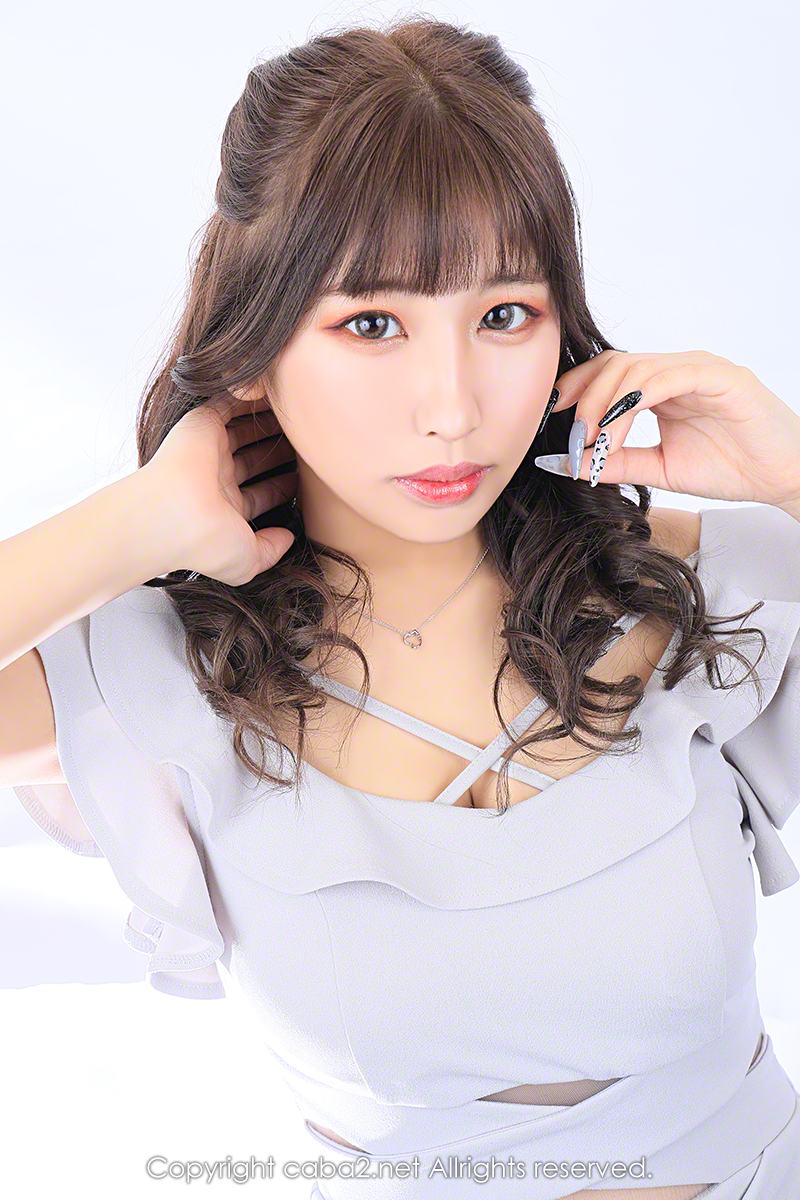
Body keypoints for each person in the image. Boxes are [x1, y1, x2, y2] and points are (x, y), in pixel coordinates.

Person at [2, 14, 800, 1200]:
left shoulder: (696, 590)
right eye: (370, 324)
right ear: (253, 344)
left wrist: (793, 474)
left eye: (502, 316)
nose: (451, 407)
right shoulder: (154, 668)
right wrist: (133, 523)